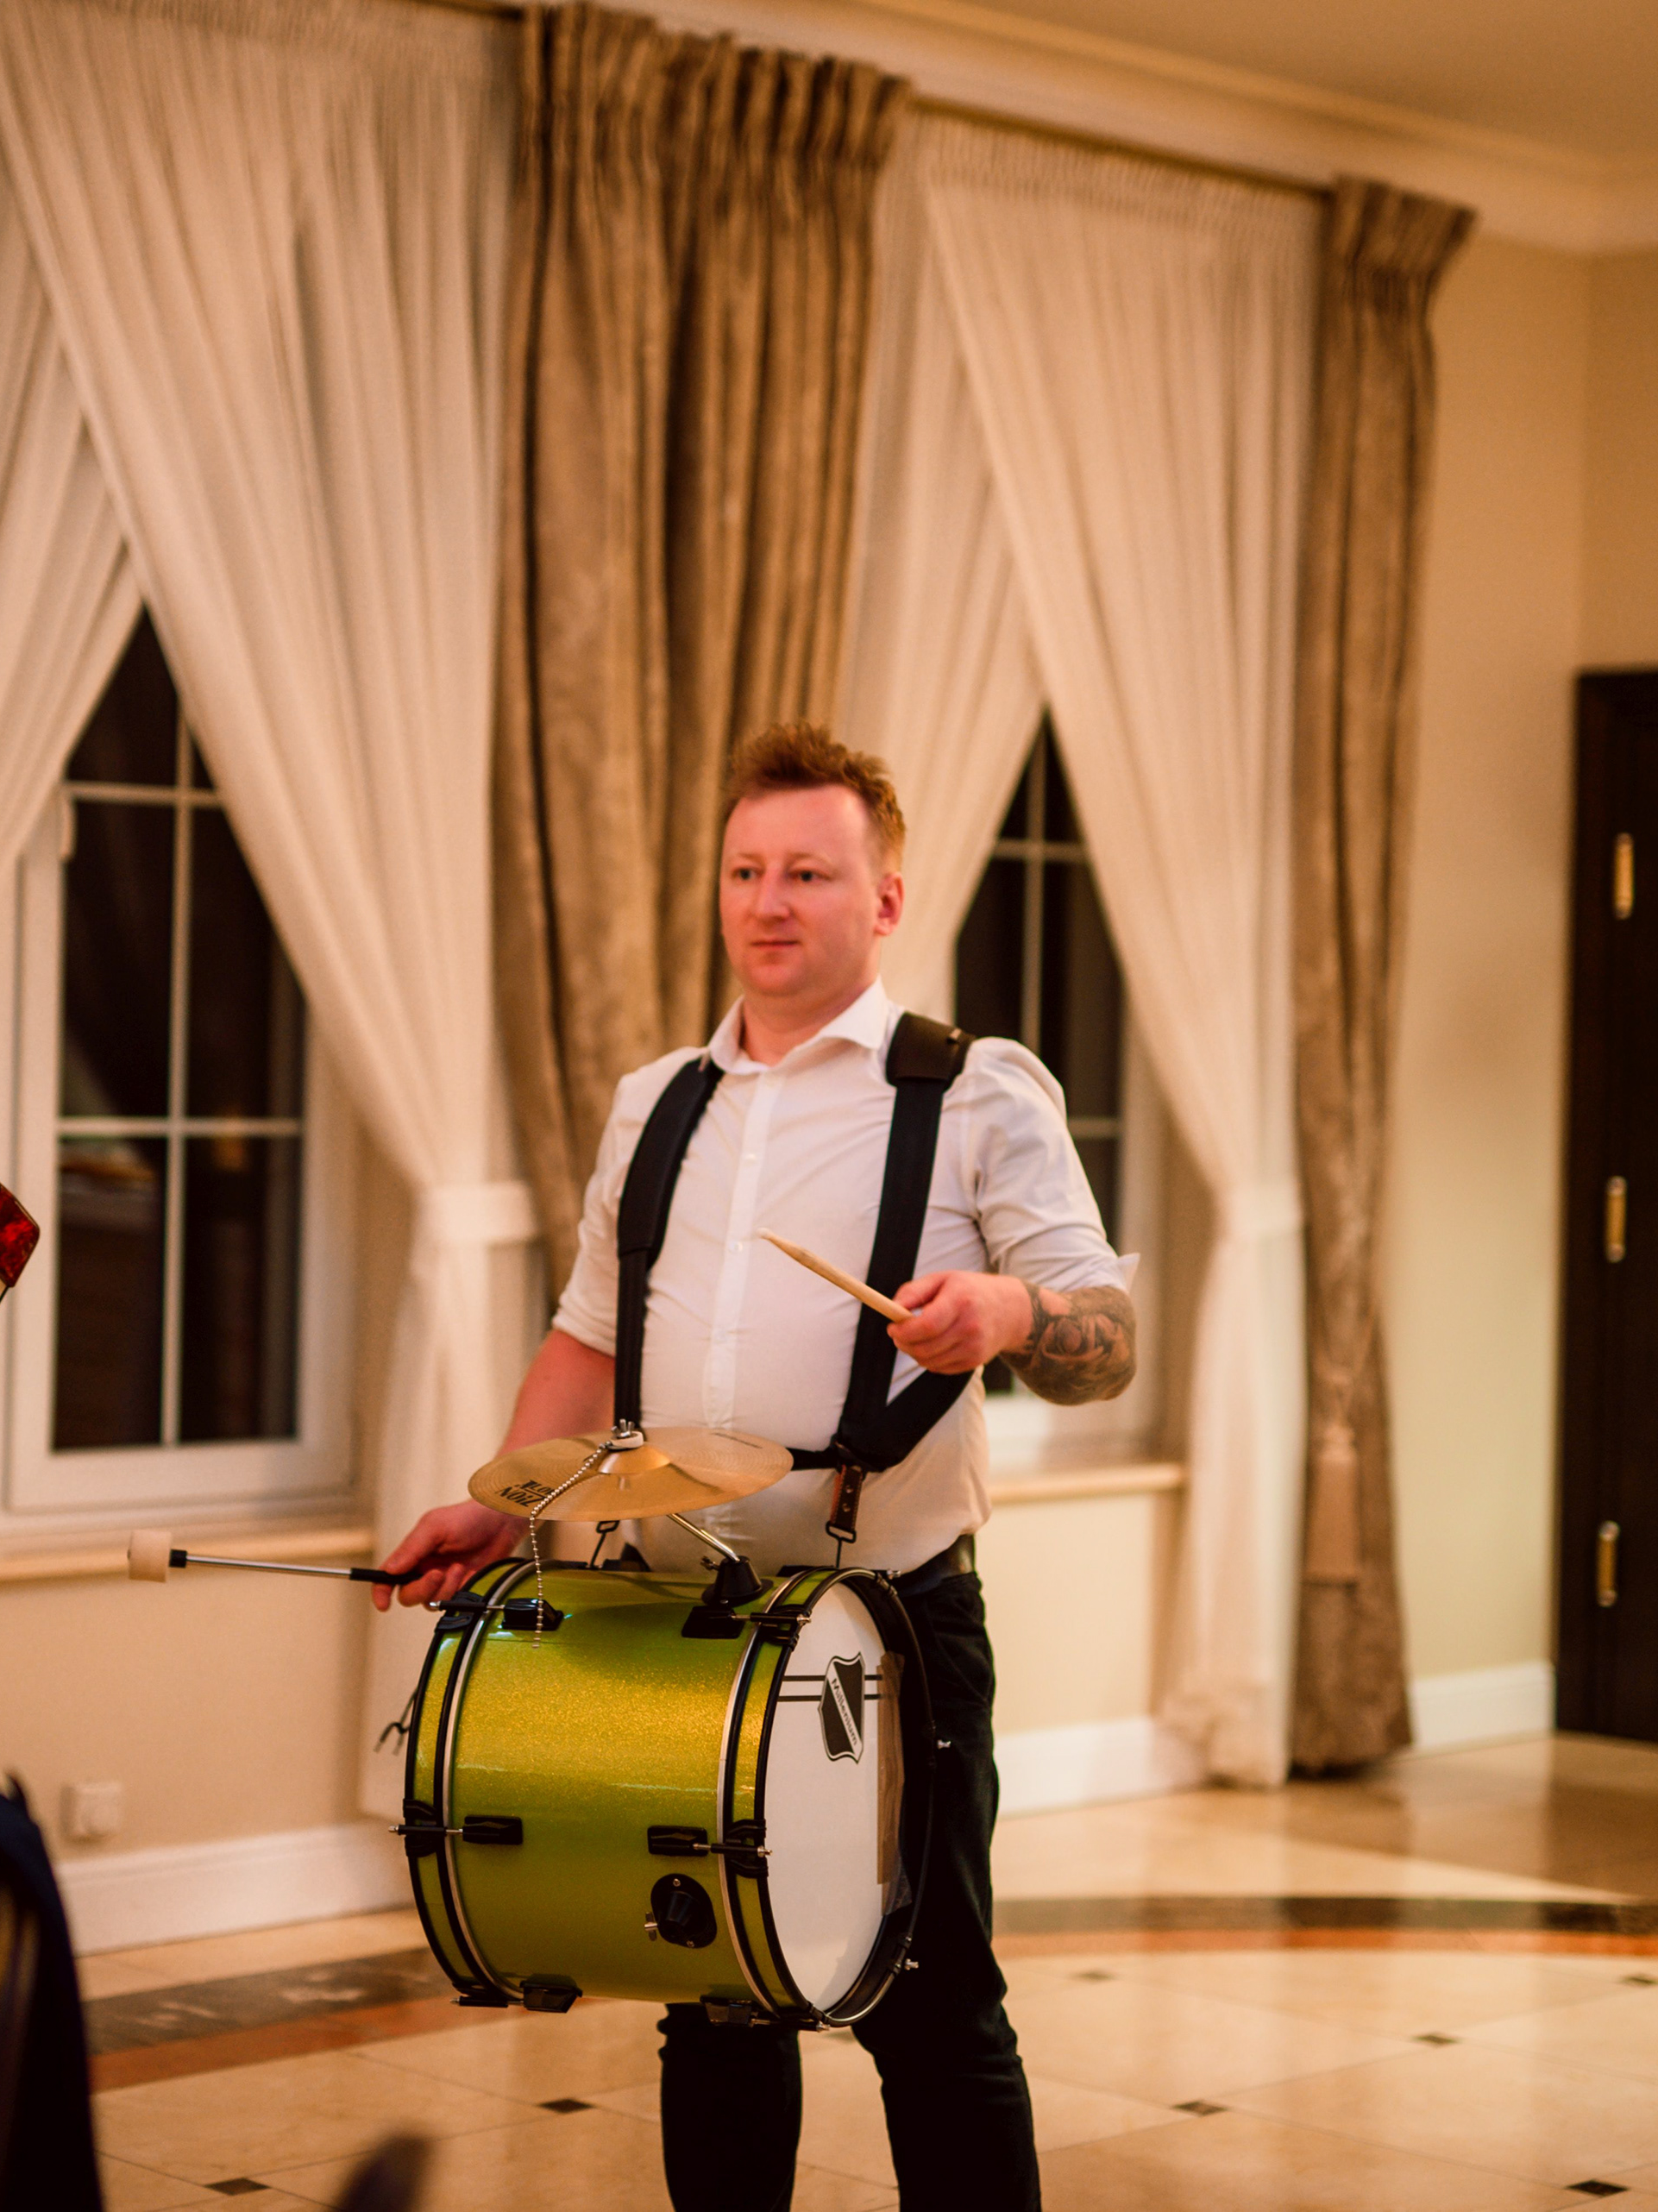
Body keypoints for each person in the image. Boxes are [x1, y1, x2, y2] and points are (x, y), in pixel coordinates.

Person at [379, 724, 1136, 2212]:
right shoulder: (657, 1099)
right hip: (686, 1617)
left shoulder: (977, 1090)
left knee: (933, 2005)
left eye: (808, 872)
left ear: (887, 898)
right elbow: (591, 1337)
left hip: (892, 1622)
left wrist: (1010, 1313)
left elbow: (1104, 1340)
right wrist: (500, 1500)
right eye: (745, 870)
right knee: (712, 1989)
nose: (768, 901)